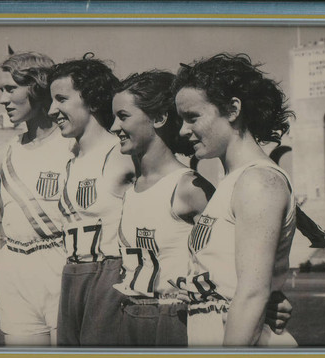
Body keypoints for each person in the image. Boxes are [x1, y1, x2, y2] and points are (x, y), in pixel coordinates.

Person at [174, 53, 297, 346]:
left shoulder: (258, 182)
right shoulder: (231, 182)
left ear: (232, 109)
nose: (182, 130)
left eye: (193, 118)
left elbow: (252, 295)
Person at [110, 70, 214, 346]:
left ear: (158, 118)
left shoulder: (190, 188)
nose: (113, 127)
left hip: (172, 321)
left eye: (123, 116)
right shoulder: (130, 188)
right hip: (128, 317)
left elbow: (227, 263)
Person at [47, 54, 135, 346]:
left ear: (94, 101)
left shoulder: (123, 156)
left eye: (61, 99)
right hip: (71, 275)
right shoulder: (69, 160)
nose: (51, 110)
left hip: (109, 274)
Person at [0, 51, 75, 345]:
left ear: (38, 88)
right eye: (1, 90)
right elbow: (5, 216)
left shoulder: (73, 146)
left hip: (60, 264)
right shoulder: (2, 155)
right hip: (14, 268)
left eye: (11, 89)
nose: (3, 100)